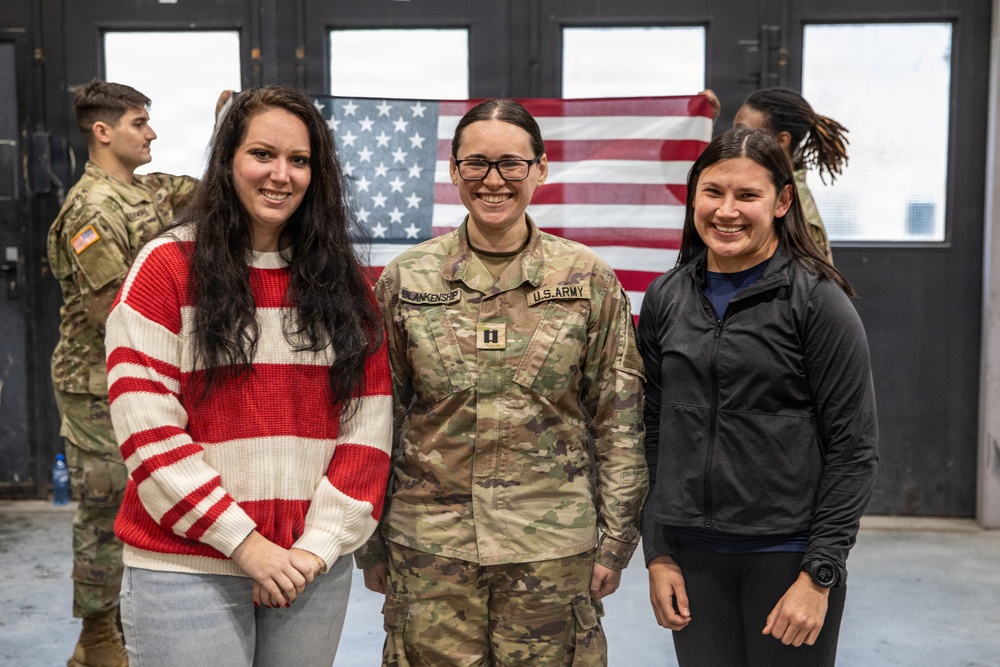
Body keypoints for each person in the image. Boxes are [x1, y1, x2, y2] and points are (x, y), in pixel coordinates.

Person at [104, 84, 392, 666]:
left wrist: (313, 550)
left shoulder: (345, 284)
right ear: (228, 160)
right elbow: (148, 433)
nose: (280, 175)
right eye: (262, 154)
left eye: (300, 160)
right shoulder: (165, 268)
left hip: (310, 571)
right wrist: (248, 546)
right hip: (187, 570)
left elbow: (369, 431)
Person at [355, 98, 648, 666]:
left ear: (540, 169)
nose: (494, 180)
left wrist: (616, 542)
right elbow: (374, 418)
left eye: (512, 164)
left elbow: (619, 420)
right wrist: (370, 542)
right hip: (430, 549)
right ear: (454, 171)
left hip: (551, 552)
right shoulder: (406, 279)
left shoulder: (587, 280)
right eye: (476, 164)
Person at [637, 126, 877, 667]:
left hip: (787, 557)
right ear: (693, 195)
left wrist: (819, 574)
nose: (727, 211)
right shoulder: (666, 297)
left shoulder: (817, 302)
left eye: (747, 195)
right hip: (693, 559)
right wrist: (659, 552)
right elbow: (653, 432)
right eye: (713, 192)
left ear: (782, 201)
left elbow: (854, 448)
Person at [47, 79, 207, 667]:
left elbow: (207, 191)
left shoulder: (142, 193)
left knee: (149, 498)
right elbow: (113, 311)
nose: (152, 133)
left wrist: (233, 133)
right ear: (103, 131)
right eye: (141, 123)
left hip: (141, 377)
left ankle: (123, 625)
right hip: (97, 386)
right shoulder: (91, 211)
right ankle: (96, 637)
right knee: (104, 505)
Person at [733, 88, 849, 264]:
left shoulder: (794, 210)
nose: (735, 139)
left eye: (744, 133)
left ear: (782, 141)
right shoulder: (772, 188)